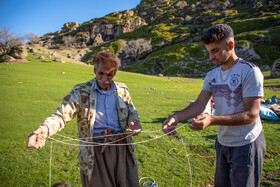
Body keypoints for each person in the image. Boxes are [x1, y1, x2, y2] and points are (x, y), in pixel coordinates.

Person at [162, 24, 266, 187]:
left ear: (230, 45)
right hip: (223, 143)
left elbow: (251, 114)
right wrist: (175, 117)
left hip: (246, 143)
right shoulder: (212, 75)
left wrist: (212, 120)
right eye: (209, 51)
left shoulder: (250, 72)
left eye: (215, 51)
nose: (211, 57)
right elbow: (199, 104)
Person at [28, 51, 142, 187]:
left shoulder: (122, 90)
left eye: (109, 74)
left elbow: (132, 112)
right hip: (95, 153)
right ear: (95, 70)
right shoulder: (81, 91)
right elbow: (62, 115)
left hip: (122, 149)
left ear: (115, 73)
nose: (105, 79)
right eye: (101, 73)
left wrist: (134, 123)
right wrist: (44, 130)